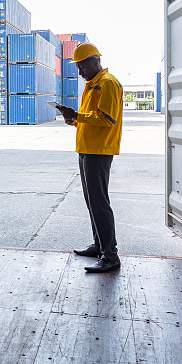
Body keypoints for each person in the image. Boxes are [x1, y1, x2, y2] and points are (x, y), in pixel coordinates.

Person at [56, 43, 123, 273]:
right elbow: (89, 119)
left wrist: (78, 115)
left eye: (83, 65)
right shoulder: (92, 85)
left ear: (96, 60)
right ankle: (100, 245)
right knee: (91, 201)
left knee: (99, 203)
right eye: (77, 66)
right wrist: (73, 119)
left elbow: (107, 119)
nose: (79, 71)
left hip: (99, 151)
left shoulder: (108, 83)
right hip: (86, 149)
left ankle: (110, 255)